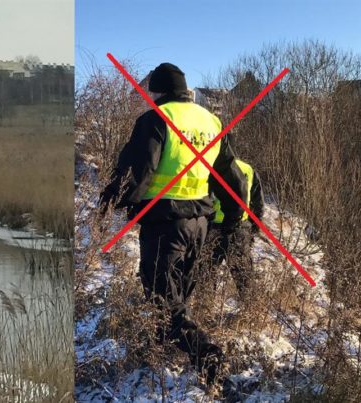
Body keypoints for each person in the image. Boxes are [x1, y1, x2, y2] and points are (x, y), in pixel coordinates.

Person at [98, 62, 248, 389]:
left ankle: (208, 358)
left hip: (165, 225)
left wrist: (107, 204)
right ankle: (163, 352)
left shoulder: (155, 119)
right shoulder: (210, 121)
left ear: (157, 91)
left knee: (165, 303)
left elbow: (137, 172)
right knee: (178, 297)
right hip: (200, 226)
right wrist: (235, 216)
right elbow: (231, 175)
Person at [204, 159, 264, 298]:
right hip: (239, 229)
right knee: (244, 278)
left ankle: (203, 312)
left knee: (205, 276)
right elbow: (258, 203)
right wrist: (253, 229)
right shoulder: (248, 168)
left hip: (213, 229)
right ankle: (250, 313)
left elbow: (204, 198)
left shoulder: (211, 166)